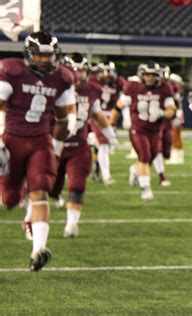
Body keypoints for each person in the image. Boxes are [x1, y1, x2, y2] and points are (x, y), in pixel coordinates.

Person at [0, 31, 75, 271]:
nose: (44, 60)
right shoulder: (11, 70)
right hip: (12, 138)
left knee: (41, 190)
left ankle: (38, 250)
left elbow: (63, 119)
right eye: (39, 55)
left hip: (41, 140)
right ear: (29, 54)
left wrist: (56, 147)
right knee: (9, 200)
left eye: (48, 56)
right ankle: (17, 195)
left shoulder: (63, 78)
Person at [49, 53, 117, 238]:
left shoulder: (92, 89)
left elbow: (97, 114)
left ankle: (71, 224)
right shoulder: (53, 85)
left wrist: (110, 135)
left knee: (78, 186)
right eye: (74, 71)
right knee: (49, 186)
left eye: (81, 71)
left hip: (79, 146)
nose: (78, 75)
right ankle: (36, 214)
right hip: (54, 146)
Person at [110, 62, 175, 200]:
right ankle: (145, 188)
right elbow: (118, 107)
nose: (150, 78)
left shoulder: (165, 88)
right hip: (138, 128)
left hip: (156, 130)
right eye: (147, 75)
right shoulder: (133, 87)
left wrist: (162, 113)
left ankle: (135, 169)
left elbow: (171, 110)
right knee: (144, 156)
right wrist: (110, 127)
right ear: (142, 75)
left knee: (151, 156)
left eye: (153, 75)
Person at [88, 61, 126, 185]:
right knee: (103, 144)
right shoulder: (92, 81)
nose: (106, 75)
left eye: (109, 71)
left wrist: (126, 117)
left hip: (111, 115)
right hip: (97, 115)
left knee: (102, 146)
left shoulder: (119, 82)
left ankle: (97, 169)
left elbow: (125, 99)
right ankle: (106, 175)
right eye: (104, 71)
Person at [166, 73, 185, 165]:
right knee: (176, 136)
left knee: (174, 136)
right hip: (177, 114)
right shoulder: (176, 91)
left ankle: (175, 157)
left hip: (176, 115)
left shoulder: (176, 91)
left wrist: (178, 111)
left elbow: (178, 103)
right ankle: (179, 156)